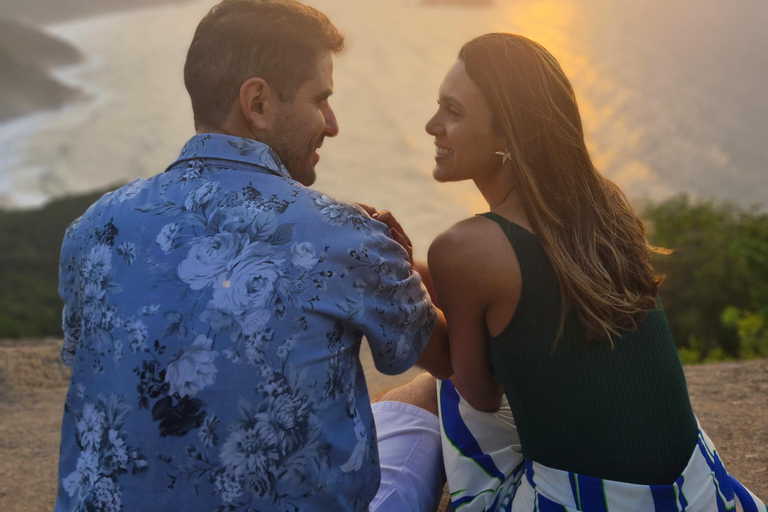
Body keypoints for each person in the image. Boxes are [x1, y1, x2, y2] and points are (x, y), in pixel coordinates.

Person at [52, 1, 449, 511]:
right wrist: (398, 260)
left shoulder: (92, 230)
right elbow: (447, 359)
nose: (332, 124)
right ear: (257, 102)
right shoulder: (343, 235)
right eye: (320, 99)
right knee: (425, 398)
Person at [420, 33, 767, 511]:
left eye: (452, 111)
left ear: (510, 135)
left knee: (437, 385)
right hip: (697, 490)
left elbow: (477, 394)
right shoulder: (604, 207)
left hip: (587, 503)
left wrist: (399, 297)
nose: (430, 125)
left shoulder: (463, 247)